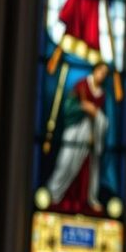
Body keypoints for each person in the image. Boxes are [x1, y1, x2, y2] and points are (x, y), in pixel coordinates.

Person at [45, 62, 110, 215]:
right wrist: (82, 107)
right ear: (95, 70)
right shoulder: (80, 85)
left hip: (90, 137)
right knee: (66, 162)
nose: (102, 75)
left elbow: (103, 119)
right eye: (101, 71)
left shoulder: (102, 94)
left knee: (89, 168)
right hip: (74, 133)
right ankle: (54, 193)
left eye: (105, 74)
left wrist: (97, 116)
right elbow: (68, 108)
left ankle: (88, 199)